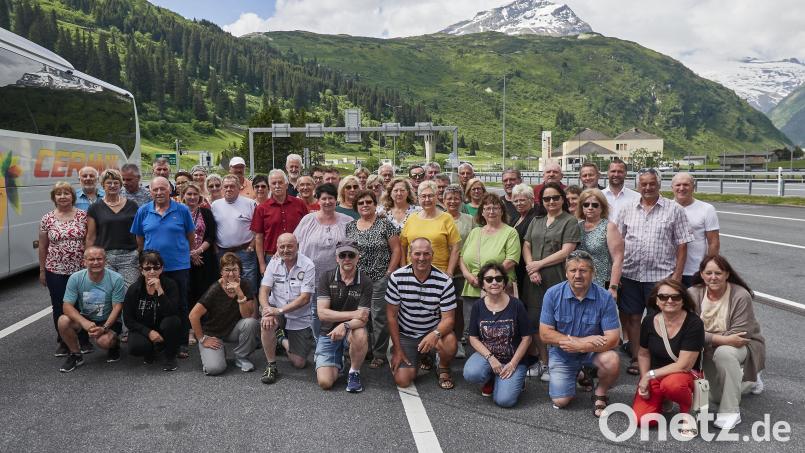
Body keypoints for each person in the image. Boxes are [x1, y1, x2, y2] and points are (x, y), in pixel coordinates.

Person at [617, 168, 692, 376]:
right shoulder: (627, 208)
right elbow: (619, 242)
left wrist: (677, 277)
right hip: (631, 274)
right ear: (637, 185)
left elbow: (682, 245)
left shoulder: (674, 209)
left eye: (652, 183)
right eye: (643, 184)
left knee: (657, 320)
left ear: (659, 184)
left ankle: (656, 360)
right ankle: (635, 357)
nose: (647, 187)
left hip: (660, 277)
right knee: (632, 318)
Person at [688, 255, 766, 430]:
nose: (713, 277)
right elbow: (689, 331)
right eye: (708, 273)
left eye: (718, 273)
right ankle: (750, 380)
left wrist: (707, 337)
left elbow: (739, 335)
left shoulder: (740, 295)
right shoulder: (693, 293)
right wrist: (718, 338)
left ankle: (731, 411)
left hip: (742, 345)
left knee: (724, 353)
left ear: (727, 274)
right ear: (701, 274)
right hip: (707, 348)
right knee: (714, 396)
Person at [539, 251, 621, 416]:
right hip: (564, 353)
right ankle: (580, 374)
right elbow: (545, 334)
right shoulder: (552, 294)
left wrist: (582, 346)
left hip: (592, 352)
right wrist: (579, 342)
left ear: (593, 273)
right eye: (573, 270)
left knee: (612, 360)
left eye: (583, 270)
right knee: (560, 401)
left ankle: (601, 393)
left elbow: (613, 339)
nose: (578, 275)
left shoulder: (605, 298)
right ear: (566, 273)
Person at [130, 176, 196, 358]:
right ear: (150, 192)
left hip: (178, 266)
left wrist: (182, 254)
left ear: (170, 190)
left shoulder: (182, 210)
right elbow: (139, 239)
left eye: (163, 189)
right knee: (154, 304)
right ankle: (159, 340)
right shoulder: (143, 211)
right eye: (155, 189)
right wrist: (145, 263)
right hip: (152, 268)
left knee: (180, 303)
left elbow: (190, 236)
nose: (159, 192)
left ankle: (181, 342)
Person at [522, 182, 580, 380]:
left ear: (562, 199)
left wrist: (538, 264)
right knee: (535, 321)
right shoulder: (536, 220)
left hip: (556, 277)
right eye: (547, 198)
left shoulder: (569, 221)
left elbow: (567, 251)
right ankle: (543, 362)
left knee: (558, 322)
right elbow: (527, 244)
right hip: (534, 279)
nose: (551, 201)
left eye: (555, 197)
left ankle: (560, 363)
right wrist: (531, 268)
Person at [632, 278, 704, 435]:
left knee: (673, 385)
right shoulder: (649, 320)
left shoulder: (694, 323)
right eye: (663, 297)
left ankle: (688, 413)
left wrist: (649, 376)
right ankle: (665, 399)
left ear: (683, 300)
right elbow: (643, 353)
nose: (669, 300)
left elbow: (684, 365)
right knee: (642, 420)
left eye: (675, 297)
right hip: (656, 375)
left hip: (683, 375)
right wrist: (645, 378)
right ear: (656, 301)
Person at [386, 238, 458, 390]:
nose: (422, 258)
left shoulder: (445, 281)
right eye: (417, 253)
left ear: (433, 254)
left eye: (426, 254)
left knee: (450, 341)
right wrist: (398, 350)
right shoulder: (397, 277)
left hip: (433, 332)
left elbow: (449, 320)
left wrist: (435, 334)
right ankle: (421, 356)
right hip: (407, 333)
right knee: (402, 381)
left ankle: (443, 367)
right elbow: (391, 317)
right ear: (409, 254)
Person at [463, 263, 534, 407]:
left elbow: (527, 338)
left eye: (498, 278)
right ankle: (491, 377)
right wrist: (491, 359)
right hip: (489, 356)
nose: (494, 282)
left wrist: (513, 364)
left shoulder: (517, 305)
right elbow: (473, 338)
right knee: (471, 373)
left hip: (513, 359)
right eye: (489, 279)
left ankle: (515, 381)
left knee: (504, 401)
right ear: (482, 283)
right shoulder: (478, 306)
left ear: (504, 282)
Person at [346, 190, 401, 369]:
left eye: (368, 202)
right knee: (362, 315)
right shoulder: (351, 226)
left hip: (379, 277)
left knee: (378, 317)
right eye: (361, 203)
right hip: (358, 279)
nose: (365, 205)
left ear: (374, 204)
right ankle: (365, 348)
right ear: (356, 207)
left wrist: (389, 272)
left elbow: (397, 250)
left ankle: (379, 353)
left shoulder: (385, 224)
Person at [294, 183, 353, 336]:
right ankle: (319, 342)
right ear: (318, 201)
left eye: (331, 198)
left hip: (339, 276)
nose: (327, 202)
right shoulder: (308, 220)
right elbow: (294, 242)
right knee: (316, 311)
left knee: (338, 310)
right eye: (324, 198)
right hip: (313, 275)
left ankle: (337, 343)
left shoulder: (347, 221)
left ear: (336, 200)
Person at [39, 182, 90, 356]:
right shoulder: (47, 218)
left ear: (72, 196)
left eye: (66, 193)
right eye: (59, 194)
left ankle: (83, 339)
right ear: (54, 198)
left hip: (80, 268)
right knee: (59, 305)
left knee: (82, 304)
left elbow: (89, 241)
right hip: (56, 269)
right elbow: (43, 246)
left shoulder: (83, 216)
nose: (62, 196)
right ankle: (63, 341)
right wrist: (42, 271)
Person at [258, 233, 316, 384]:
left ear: (297, 246)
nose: (285, 250)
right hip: (275, 308)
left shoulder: (308, 265)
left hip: (299, 315)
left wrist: (279, 311)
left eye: (290, 246)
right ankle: (271, 365)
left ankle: (280, 337)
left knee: (299, 363)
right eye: (282, 246)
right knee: (267, 322)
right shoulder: (274, 262)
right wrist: (267, 309)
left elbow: (305, 298)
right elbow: (264, 290)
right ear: (277, 248)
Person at [315, 241, 372, 392]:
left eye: (351, 255)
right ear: (337, 258)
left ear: (357, 258)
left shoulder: (366, 281)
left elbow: (363, 318)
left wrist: (345, 325)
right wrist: (353, 314)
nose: (347, 258)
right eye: (343, 255)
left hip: (351, 329)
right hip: (328, 332)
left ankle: (354, 372)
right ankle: (339, 359)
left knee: (360, 333)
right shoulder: (326, 277)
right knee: (325, 383)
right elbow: (322, 314)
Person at [189, 252, 261, 375]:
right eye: (227, 270)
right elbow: (193, 315)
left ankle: (241, 357)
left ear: (240, 271)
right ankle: (216, 353)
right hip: (213, 334)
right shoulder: (215, 289)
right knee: (215, 369)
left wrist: (239, 292)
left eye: (235, 270)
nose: (231, 274)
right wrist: (202, 339)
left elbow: (246, 316)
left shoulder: (244, 285)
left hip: (232, 329)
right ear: (221, 272)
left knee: (251, 323)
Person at [57, 247, 126, 372]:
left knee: (104, 342)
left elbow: (118, 307)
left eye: (99, 259)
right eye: (91, 259)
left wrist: (104, 327)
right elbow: (66, 306)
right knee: (63, 320)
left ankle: (114, 345)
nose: (95, 262)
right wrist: (85, 322)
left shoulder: (116, 278)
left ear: (105, 261)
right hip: (87, 319)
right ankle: (76, 355)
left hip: (108, 319)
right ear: (84, 262)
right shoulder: (75, 278)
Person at [123, 251, 183, 371]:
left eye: (156, 268)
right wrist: (148, 332)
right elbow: (128, 320)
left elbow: (172, 312)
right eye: (147, 268)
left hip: (164, 325)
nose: (152, 272)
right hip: (144, 328)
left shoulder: (170, 285)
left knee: (172, 321)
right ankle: (151, 349)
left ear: (162, 269)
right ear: (141, 270)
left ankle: (170, 356)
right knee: (136, 348)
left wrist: (160, 290)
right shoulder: (134, 289)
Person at [86, 169, 140, 289]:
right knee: (108, 292)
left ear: (120, 185)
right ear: (103, 186)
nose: (112, 185)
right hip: (105, 258)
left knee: (130, 292)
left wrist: (140, 253)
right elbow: (91, 237)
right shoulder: (94, 208)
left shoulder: (132, 205)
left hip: (129, 257)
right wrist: (88, 258)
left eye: (116, 182)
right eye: (109, 183)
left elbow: (139, 234)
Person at [459, 194, 520, 299]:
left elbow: (511, 260)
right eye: (487, 208)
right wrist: (466, 275)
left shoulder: (510, 232)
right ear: (482, 212)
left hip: (498, 290)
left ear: (502, 211)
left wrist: (485, 278)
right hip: (472, 289)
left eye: (495, 208)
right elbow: (461, 257)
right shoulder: (475, 232)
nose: (491, 212)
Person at [252, 169, 309, 275]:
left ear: (286, 185)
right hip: (271, 257)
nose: (277, 186)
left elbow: (307, 232)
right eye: (274, 183)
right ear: (270, 186)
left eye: (280, 182)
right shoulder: (261, 208)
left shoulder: (300, 204)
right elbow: (259, 238)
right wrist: (262, 264)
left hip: (297, 256)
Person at [182, 183, 219, 344]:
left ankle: (206, 327)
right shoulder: (179, 213)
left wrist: (198, 252)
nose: (192, 197)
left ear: (199, 196)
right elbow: (177, 235)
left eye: (195, 194)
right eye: (189, 194)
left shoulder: (206, 213)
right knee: (189, 292)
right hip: (184, 259)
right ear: (183, 196)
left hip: (205, 259)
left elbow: (211, 236)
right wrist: (190, 253)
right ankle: (190, 329)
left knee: (207, 292)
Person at [211, 175, 259, 295]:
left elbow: (258, 228)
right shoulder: (215, 205)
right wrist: (215, 248)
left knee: (249, 284)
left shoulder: (250, 204)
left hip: (245, 251)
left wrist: (251, 246)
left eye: (232, 186)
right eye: (226, 186)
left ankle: (251, 312)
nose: (228, 189)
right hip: (223, 252)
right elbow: (211, 228)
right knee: (226, 284)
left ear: (239, 187)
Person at [400, 181, 460, 276]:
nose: (427, 199)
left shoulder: (446, 218)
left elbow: (455, 248)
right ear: (418, 198)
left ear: (436, 196)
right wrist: (403, 267)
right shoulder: (411, 218)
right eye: (423, 196)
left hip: (439, 273)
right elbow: (402, 246)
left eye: (430, 196)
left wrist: (450, 272)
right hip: (412, 273)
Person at [672, 173, 720, 287]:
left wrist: (708, 269)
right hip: (668, 270)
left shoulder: (707, 209)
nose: (682, 188)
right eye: (678, 185)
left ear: (693, 187)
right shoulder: (665, 207)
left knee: (695, 304)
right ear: (672, 187)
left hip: (695, 271)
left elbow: (713, 242)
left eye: (686, 185)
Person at [576, 189, 623, 297]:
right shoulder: (577, 226)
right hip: (579, 282)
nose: (590, 208)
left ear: (602, 207)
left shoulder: (609, 227)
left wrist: (613, 287)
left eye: (595, 205)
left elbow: (618, 259)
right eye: (586, 204)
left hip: (602, 284)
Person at [509, 183, 538, 302]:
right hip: (518, 266)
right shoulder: (516, 218)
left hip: (528, 266)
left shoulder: (535, 217)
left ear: (531, 200)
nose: (518, 203)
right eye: (515, 201)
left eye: (522, 200)